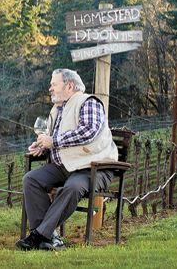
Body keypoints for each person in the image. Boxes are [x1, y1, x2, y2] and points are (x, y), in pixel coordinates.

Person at [16, 69, 118, 251]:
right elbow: (56, 142)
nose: (50, 88)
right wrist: (42, 147)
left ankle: (37, 236)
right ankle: (49, 238)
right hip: (66, 167)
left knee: (72, 187)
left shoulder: (88, 102)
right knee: (31, 179)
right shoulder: (57, 110)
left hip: (94, 167)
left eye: (54, 84)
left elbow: (89, 131)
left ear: (69, 86)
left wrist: (53, 141)